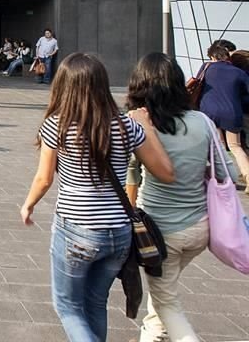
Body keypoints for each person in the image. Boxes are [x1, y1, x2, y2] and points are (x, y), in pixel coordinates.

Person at [20, 53, 174, 342]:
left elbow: (44, 178)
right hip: (118, 232)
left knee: (68, 307)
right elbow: (163, 171)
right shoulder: (127, 126)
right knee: (94, 303)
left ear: (64, 86)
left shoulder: (58, 124)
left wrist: (28, 205)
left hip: (76, 228)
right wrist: (146, 127)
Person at [125, 53, 239, 342]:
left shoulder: (139, 125)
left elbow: (131, 176)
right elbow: (229, 173)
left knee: (166, 304)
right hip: (200, 230)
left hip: (161, 235)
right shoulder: (202, 121)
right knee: (162, 296)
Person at [198, 42, 249, 189]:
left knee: (218, 147)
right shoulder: (238, 72)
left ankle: (221, 179)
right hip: (232, 113)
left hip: (210, 113)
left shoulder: (206, 68)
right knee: (235, 147)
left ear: (213, 56)